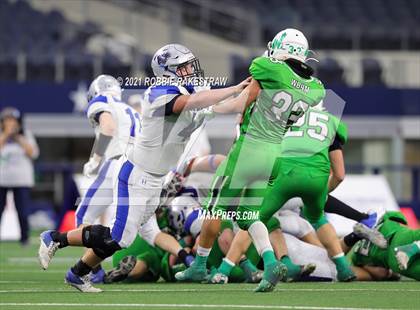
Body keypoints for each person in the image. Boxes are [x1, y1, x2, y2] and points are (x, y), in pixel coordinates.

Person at [38, 43, 250, 292]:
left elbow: (228, 106)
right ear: (167, 71)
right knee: (119, 236)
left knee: (122, 238)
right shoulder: (158, 93)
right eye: (184, 67)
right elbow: (193, 101)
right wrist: (233, 88)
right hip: (137, 174)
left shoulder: (190, 91)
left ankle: (77, 273)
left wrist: (255, 90)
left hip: (157, 178)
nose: (191, 70)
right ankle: (54, 238)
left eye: (191, 65)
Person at [176, 28, 325, 292]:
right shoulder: (315, 89)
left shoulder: (269, 68)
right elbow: (298, 87)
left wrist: (207, 110)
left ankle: (198, 265)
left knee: (213, 207)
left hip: (249, 148)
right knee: (248, 214)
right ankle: (270, 263)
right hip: (273, 154)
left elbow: (238, 104)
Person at [0, 107, 39, 245]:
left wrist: (18, 138)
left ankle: (24, 239)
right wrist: (5, 135)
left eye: (13, 120)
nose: (11, 123)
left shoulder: (26, 135)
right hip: (2, 179)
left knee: (22, 211)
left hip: (21, 180)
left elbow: (33, 153)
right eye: (7, 120)